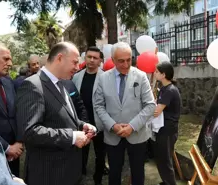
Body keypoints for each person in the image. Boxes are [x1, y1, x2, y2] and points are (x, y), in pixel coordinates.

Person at [15, 42, 97, 185]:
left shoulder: (61, 83)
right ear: (59, 58)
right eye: (75, 62)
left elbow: (63, 116)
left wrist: (83, 125)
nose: (78, 67)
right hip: (49, 174)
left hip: (68, 171)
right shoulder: (33, 86)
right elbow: (29, 132)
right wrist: (71, 137)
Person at [93, 42, 156, 185]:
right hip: (113, 135)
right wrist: (113, 125)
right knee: (114, 173)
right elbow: (98, 105)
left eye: (129, 60)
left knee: (138, 173)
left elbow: (150, 105)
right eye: (121, 61)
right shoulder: (103, 78)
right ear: (113, 60)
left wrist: (132, 126)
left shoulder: (141, 76)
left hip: (137, 134)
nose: (126, 64)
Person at [0, 43, 23, 177]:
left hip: (15, 152)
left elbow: (16, 113)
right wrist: (7, 147)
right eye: (6, 59)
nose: (10, 63)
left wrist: (19, 141)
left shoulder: (8, 82)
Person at [72, 46, 107, 185]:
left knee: (100, 155)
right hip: (82, 124)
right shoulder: (76, 77)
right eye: (89, 57)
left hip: (99, 123)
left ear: (100, 61)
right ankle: (80, 177)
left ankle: (97, 180)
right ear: (85, 58)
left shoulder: (105, 77)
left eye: (95, 58)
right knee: (81, 155)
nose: (91, 60)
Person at [153, 61, 181, 185]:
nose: (154, 73)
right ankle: (166, 181)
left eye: (157, 71)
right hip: (163, 128)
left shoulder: (170, 90)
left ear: (163, 74)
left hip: (168, 130)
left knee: (165, 159)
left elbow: (156, 111)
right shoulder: (164, 89)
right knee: (161, 158)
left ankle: (170, 183)